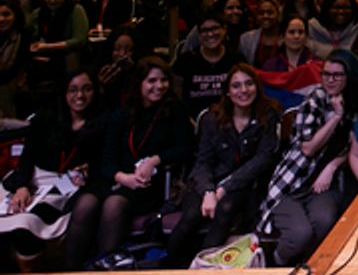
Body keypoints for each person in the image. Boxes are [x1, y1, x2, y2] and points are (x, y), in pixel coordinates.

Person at [65, 56, 193, 269]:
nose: (159, 86)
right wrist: (122, 177)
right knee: (85, 204)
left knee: (114, 204)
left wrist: (155, 160)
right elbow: (107, 160)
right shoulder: (122, 113)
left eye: (163, 80)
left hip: (150, 181)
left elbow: (186, 147)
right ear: (139, 83)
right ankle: (71, 270)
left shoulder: (175, 110)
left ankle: (108, 268)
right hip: (118, 177)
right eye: (152, 81)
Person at [164, 64, 281, 266]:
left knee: (224, 209)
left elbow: (262, 160)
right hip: (208, 181)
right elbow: (203, 162)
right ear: (227, 91)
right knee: (191, 215)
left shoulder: (268, 115)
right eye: (236, 86)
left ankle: (202, 267)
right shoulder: (212, 118)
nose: (243, 90)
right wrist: (209, 190)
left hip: (244, 185)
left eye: (248, 84)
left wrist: (223, 190)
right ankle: (169, 266)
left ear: (256, 86)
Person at [259, 50, 358, 266]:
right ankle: (276, 264)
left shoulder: (354, 106)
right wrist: (335, 118)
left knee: (325, 222)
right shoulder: (315, 99)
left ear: (349, 77)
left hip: (323, 185)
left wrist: (333, 165)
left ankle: (309, 267)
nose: (330, 80)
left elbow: (352, 148)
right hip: (292, 183)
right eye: (326, 74)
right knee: (300, 234)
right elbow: (308, 148)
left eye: (337, 75)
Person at [0, 70, 105, 270]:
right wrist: (22, 186)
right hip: (32, 177)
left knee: (25, 227)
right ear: (64, 93)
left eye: (86, 89)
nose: (80, 96)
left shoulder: (104, 121)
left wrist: (90, 171)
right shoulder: (44, 118)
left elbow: (104, 162)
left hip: (65, 188)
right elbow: (27, 156)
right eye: (73, 90)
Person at [174, 8, 245, 118]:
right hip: (193, 125)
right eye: (205, 30)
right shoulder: (185, 61)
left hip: (230, 123)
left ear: (224, 29)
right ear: (198, 34)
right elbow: (176, 97)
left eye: (215, 28)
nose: (210, 34)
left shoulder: (236, 59)